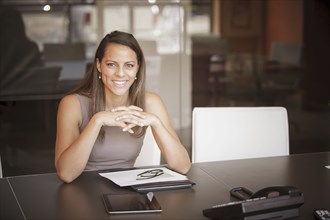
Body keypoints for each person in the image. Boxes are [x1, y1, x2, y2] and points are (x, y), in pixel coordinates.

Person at [55, 31, 191, 183]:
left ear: (137, 68)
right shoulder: (72, 104)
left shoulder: (151, 102)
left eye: (129, 65)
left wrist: (156, 123)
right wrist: (97, 120)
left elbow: (183, 166)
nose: (120, 73)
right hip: (81, 190)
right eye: (111, 64)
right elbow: (66, 174)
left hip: (126, 191)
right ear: (99, 65)